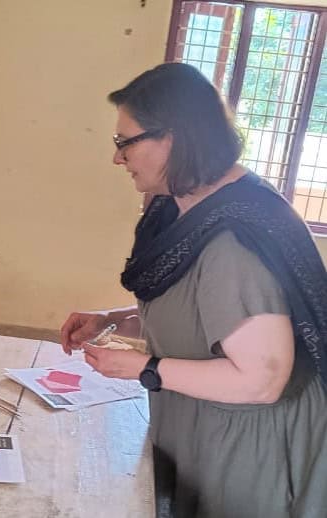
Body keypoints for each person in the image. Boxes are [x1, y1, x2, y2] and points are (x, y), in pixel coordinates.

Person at [60, 63, 327, 517]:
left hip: (249, 442)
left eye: (125, 142)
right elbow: (204, 313)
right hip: (208, 422)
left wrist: (145, 367)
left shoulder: (234, 240)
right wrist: (115, 319)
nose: (117, 158)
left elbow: (261, 379)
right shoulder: (183, 208)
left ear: (174, 138)